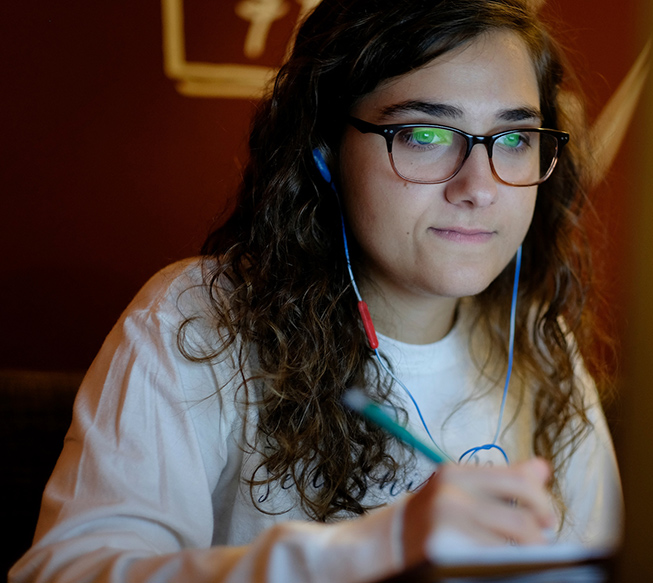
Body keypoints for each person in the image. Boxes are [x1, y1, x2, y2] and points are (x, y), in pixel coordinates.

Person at [10, 0, 622, 581]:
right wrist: (372, 547)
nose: (479, 186)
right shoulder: (197, 320)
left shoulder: (544, 346)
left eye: (514, 140)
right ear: (326, 150)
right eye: (425, 135)